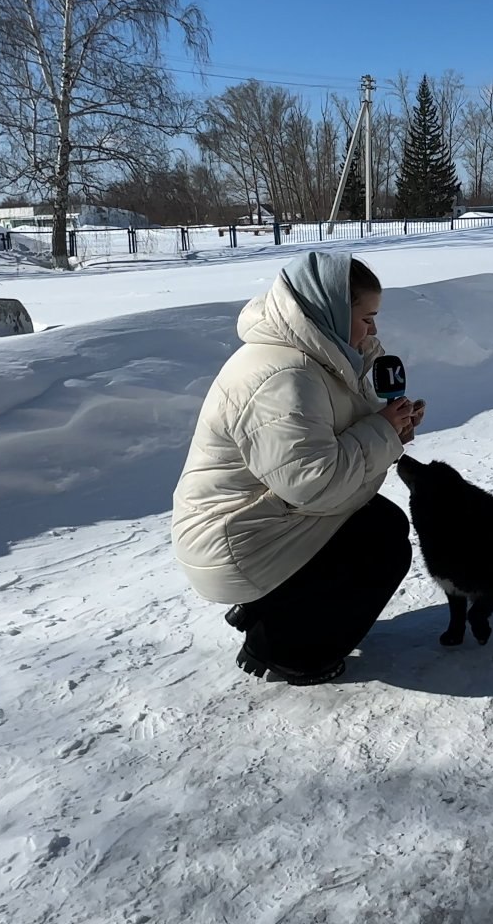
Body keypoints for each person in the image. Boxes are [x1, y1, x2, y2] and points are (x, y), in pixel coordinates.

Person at [171, 250, 424, 686]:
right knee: (381, 547)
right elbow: (315, 485)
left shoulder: (318, 356)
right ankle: (290, 651)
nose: (374, 329)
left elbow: (327, 442)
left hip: (262, 520)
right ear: (331, 310)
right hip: (234, 541)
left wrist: (391, 427)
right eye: (367, 317)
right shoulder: (283, 376)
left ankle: (272, 606)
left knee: (378, 522)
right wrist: (382, 433)